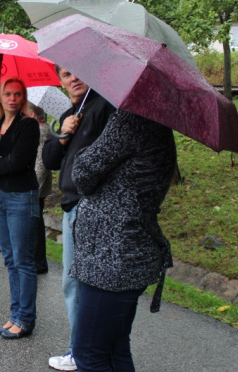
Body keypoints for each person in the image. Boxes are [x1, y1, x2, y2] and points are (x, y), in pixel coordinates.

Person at [70, 110, 176, 370]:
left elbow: (82, 175)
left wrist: (83, 144)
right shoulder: (158, 123)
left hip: (112, 259)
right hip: (128, 251)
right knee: (115, 347)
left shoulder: (130, 120)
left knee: (89, 354)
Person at [43, 65, 115, 371]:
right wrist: (63, 135)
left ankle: (82, 352)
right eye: (66, 75)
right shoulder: (69, 114)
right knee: (75, 284)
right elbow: (49, 160)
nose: (73, 78)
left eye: (79, 71)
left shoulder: (104, 108)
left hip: (90, 207)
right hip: (72, 207)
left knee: (78, 284)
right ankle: (86, 350)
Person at [0, 77, 40, 339]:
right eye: (7, 94)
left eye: (17, 94)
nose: (13, 98)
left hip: (20, 195)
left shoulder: (29, 125)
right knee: (9, 259)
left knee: (24, 261)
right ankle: (14, 314)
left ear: (23, 98)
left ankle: (25, 319)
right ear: (0, 98)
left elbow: (17, 161)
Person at [31, 104, 52, 274]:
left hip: (36, 186)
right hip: (33, 184)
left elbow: (40, 162)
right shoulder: (36, 129)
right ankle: (35, 260)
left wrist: (34, 185)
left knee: (36, 225)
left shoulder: (42, 130)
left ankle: (39, 263)